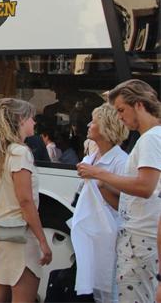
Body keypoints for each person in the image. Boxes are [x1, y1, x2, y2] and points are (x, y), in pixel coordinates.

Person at [77, 79, 160, 303]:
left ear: (139, 105)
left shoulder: (150, 139)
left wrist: (99, 174)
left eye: (122, 110)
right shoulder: (152, 137)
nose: (120, 117)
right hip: (140, 237)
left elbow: (145, 187)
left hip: (139, 239)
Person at [0, 98, 53, 303]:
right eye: (31, 118)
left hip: (0, 230)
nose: (34, 122)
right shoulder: (21, 152)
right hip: (20, 235)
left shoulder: (2, 151)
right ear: (21, 119)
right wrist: (43, 240)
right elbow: (25, 201)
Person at [72, 103, 128, 303]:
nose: (89, 125)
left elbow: (124, 204)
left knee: (107, 288)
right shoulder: (91, 157)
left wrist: (100, 182)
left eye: (93, 121)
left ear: (105, 127)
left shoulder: (121, 161)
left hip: (109, 237)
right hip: (89, 234)